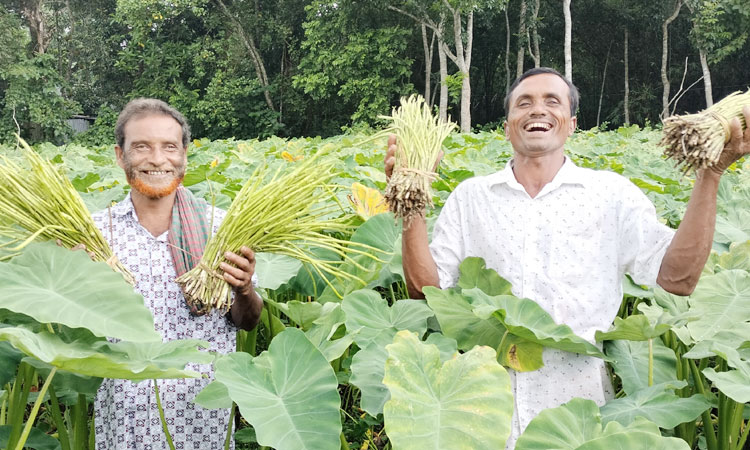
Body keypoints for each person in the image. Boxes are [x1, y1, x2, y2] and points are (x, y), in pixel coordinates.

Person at [384, 67, 750, 448]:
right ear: (507, 127)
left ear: (571, 124)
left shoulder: (611, 195)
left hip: (575, 419)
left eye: (551, 101)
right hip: (483, 413)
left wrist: (712, 172)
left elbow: (679, 279)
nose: (536, 110)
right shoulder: (470, 197)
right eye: (523, 103)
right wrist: (409, 196)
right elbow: (426, 292)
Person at [92, 98, 263, 449]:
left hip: (203, 421)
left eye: (169, 147)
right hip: (126, 423)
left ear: (184, 155)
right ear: (120, 155)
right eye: (141, 147)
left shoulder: (220, 228)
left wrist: (244, 289)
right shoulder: (96, 234)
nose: (157, 159)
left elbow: (247, 321)